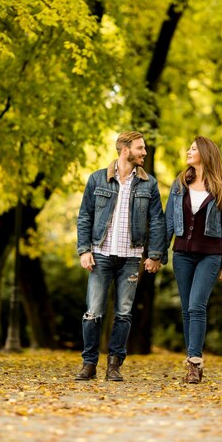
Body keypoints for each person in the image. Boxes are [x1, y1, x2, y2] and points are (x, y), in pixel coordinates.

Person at [76, 131, 166, 381]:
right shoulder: (97, 179)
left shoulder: (149, 184)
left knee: (124, 314)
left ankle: (114, 365)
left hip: (131, 258)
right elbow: (85, 216)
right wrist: (84, 250)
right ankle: (89, 363)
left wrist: (155, 254)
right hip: (100, 254)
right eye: (140, 148)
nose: (144, 152)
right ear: (125, 150)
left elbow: (157, 221)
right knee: (93, 311)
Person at [165, 136, 222, 384]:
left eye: (193, 148)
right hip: (182, 254)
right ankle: (192, 362)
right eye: (189, 147)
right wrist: (158, 254)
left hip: (210, 255)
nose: (188, 151)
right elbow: (169, 223)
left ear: (205, 154)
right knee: (187, 311)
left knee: (197, 306)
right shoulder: (179, 184)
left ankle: (194, 363)